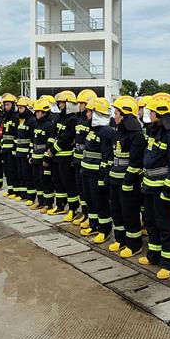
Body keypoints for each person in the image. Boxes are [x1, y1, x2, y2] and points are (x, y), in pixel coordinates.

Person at [139, 93, 170, 278]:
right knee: (151, 221)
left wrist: (169, 188)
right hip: (149, 186)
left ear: (160, 114)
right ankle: (154, 255)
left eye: (152, 112)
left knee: (165, 225)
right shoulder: (154, 131)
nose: (149, 115)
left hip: (163, 189)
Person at [107, 95, 146, 257]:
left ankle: (134, 244)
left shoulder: (136, 135)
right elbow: (114, 157)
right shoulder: (118, 133)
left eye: (117, 113)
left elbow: (136, 162)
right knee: (116, 212)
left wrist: (128, 181)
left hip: (128, 183)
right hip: (115, 180)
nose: (114, 116)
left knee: (129, 213)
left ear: (125, 115)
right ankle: (120, 240)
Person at [79, 96, 115, 243]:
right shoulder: (93, 129)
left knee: (101, 203)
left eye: (89, 111)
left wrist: (103, 176)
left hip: (96, 174)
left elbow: (107, 156)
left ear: (96, 113)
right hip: (86, 172)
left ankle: (104, 229)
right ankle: (94, 225)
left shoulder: (106, 132)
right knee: (90, 201)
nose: (86, 114)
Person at [71, 89, 97, 225]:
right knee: (80, 189)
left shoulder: (91, 122)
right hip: (78, 159)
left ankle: (89, 216)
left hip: (87, 161)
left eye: (81, 103)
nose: (79, 106)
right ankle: (85, 214)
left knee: (89, 192)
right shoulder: (79, 119)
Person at [51, 90, 78, 217]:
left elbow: (66, 138)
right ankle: (60, 205)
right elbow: (55, 134)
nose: (59, 105)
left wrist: (52, 149)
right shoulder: (60, 118)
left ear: (68, 104)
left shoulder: (73, 119)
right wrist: (50, 149)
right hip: (56, 157)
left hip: (66, 157)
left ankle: (73, 209)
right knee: (58, 182)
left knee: (69, 183)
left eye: (61, 103)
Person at [31, 96, 56, 210]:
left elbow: (49, 143)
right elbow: (34, 141)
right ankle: (40, 201)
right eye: (36, 111)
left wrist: (46, 158)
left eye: (38, 111)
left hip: (43, 159)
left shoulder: (49, 125)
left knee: (45, 182)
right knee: (37, 181)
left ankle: (48, 204)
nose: (36, 113)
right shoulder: (37, 124)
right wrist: (31, 155)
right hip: (35, 157)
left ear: (44, 112)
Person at [13, 97, 37, 204]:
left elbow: (32, 138)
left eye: (21, 108)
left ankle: (31, 196)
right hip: (19, 152)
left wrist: (30, 152)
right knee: (20, 173)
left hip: (26, 152)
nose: (19, 110)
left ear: (27, 108)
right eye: (18, 108)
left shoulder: (32, 121)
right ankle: (23, 194)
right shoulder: (20, 120)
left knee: (28, 175)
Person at [0, 93, 18, 197]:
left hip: (12, 148)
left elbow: (16, 135)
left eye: (8, 104)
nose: (6, 107)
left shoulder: (16, 117)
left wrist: (14, 148)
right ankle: (10, 190)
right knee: (7, 170)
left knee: (13, 170)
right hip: (5, 148)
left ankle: (16, 190)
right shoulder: (5, 117)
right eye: (5, 105)